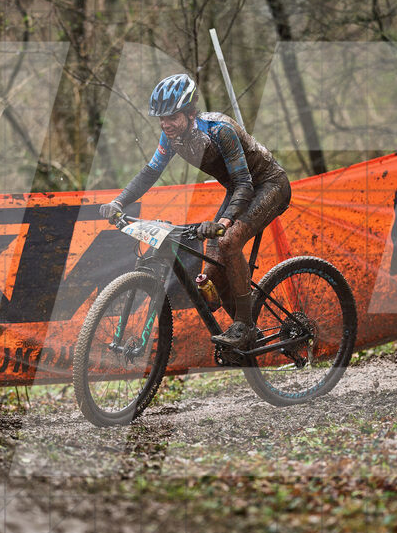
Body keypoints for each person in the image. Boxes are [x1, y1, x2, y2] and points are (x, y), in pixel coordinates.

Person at [99, 73, 291, 349]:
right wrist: (119, 202)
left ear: (190, 113)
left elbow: (243, 182)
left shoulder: (219, 130)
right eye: (161, 118)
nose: (165, 124)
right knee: (210, 274)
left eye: (172, 117)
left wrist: (224, 221)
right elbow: (150, 172)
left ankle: (245, 326)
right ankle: (246, 337)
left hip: (269, 184)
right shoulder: (171, 137)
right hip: (238, 189)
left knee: (228, 241)